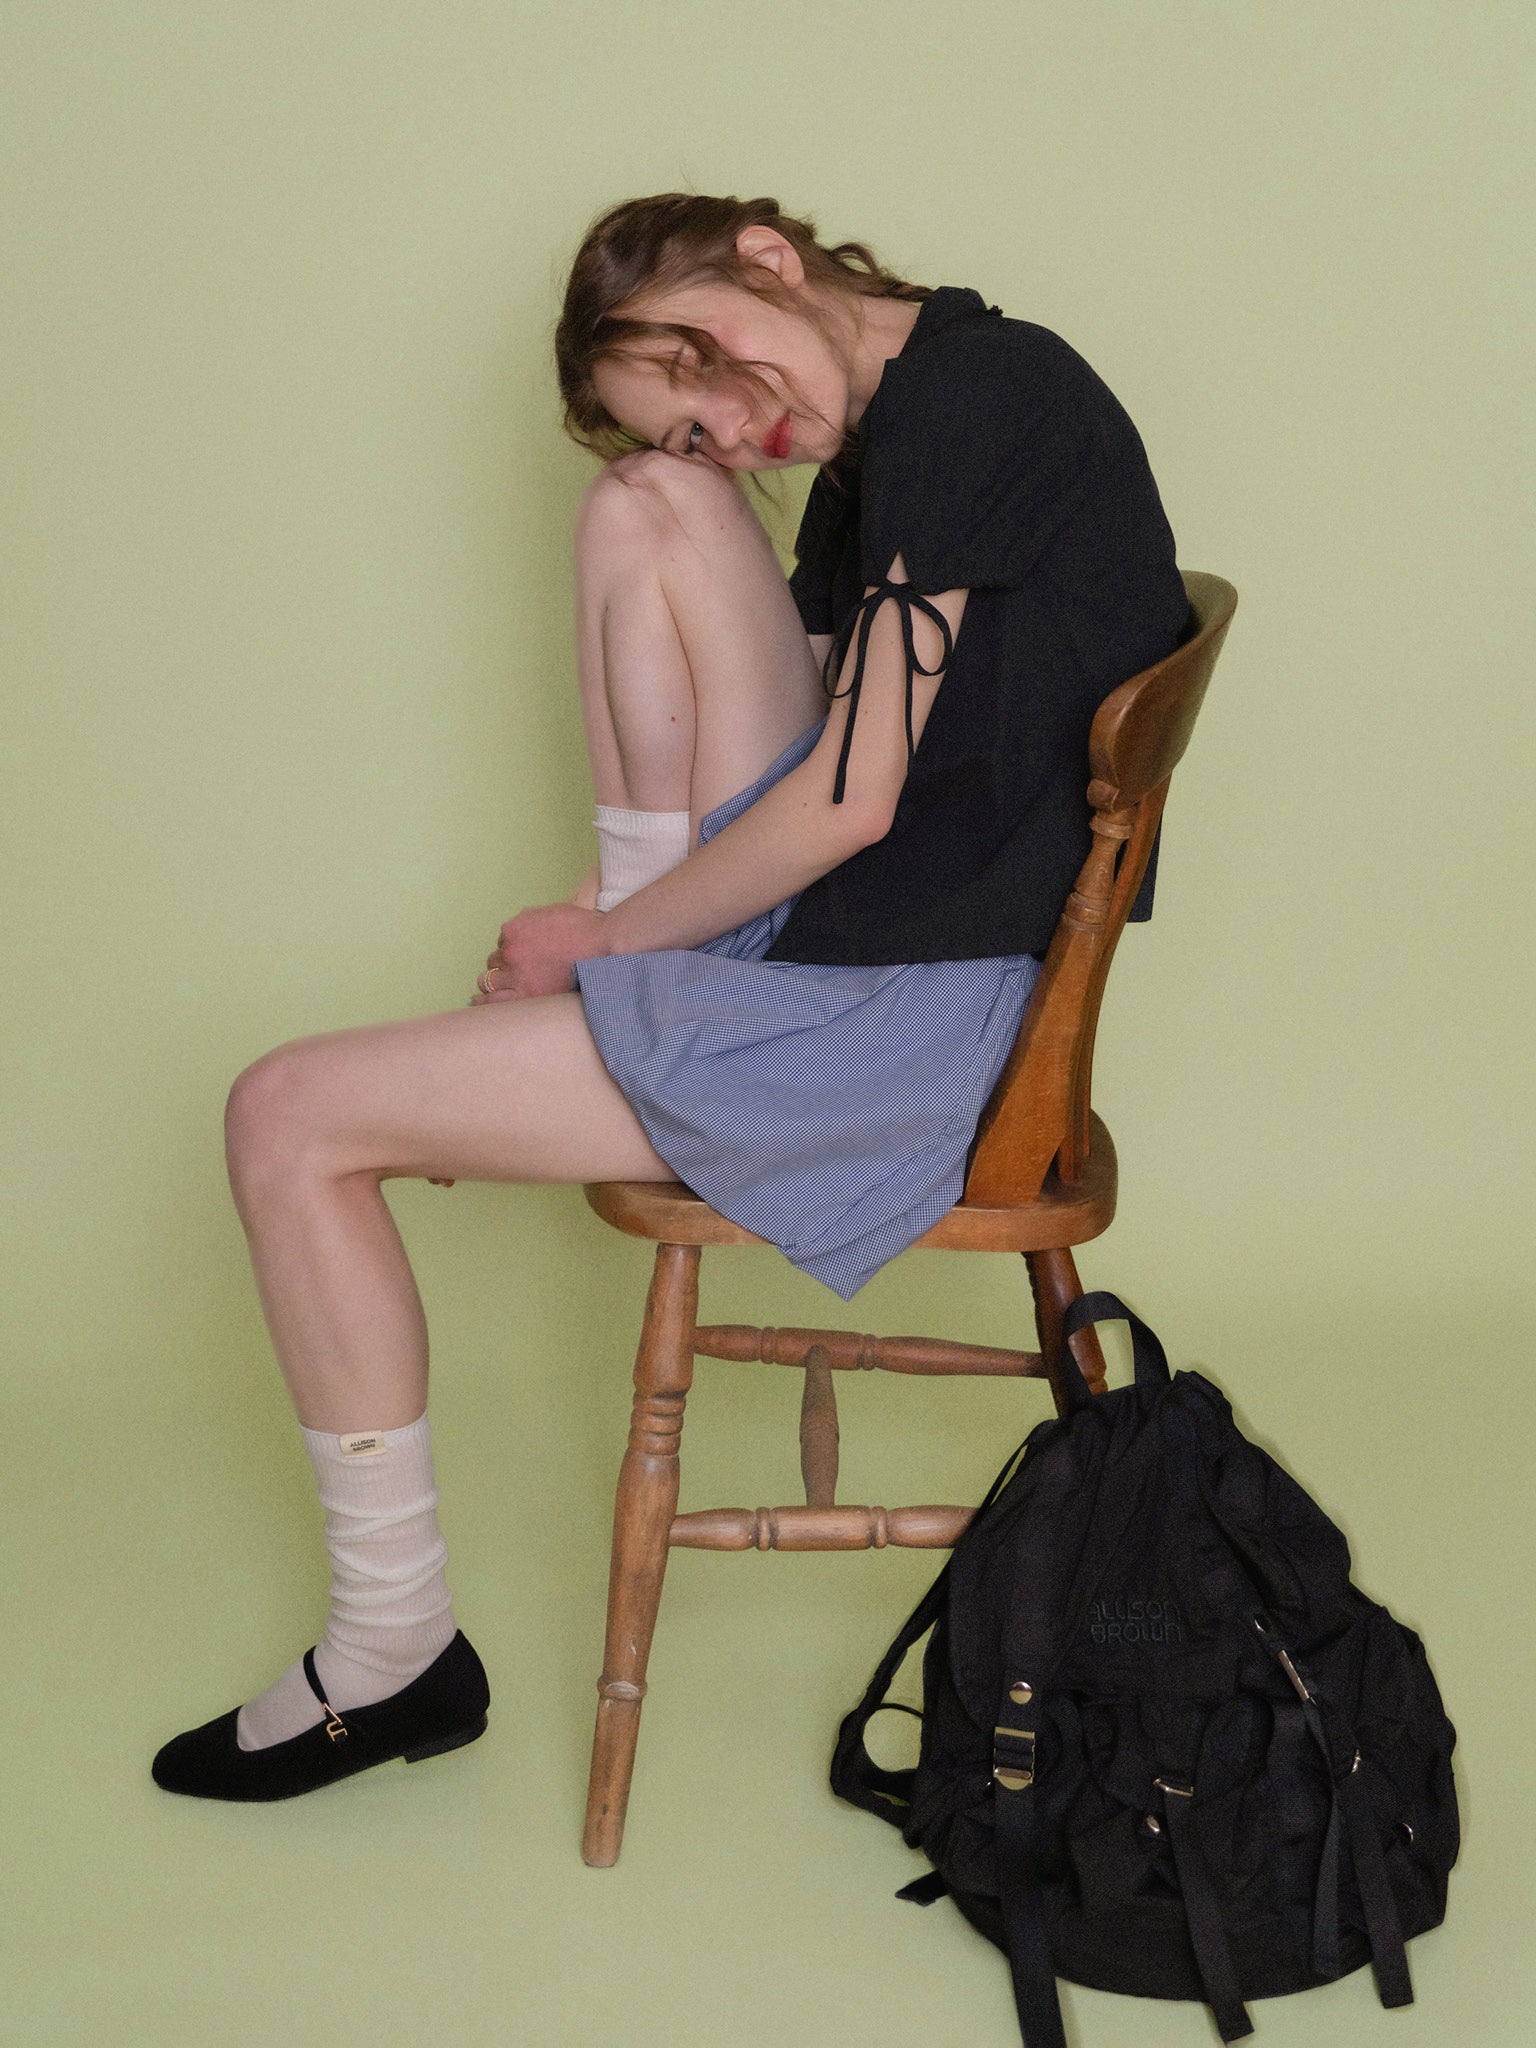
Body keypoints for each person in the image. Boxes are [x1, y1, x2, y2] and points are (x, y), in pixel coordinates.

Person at [150, 192, 1191, 1803]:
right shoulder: (912, 415)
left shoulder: (976, 402)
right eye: (695, 415)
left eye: (707, 367)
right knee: (644, 509)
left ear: (768, 255)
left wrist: (600, 954)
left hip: (921, 1029)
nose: (729, 428)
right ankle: (622, 981)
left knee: (282, 1114)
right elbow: (817, 738)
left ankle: (391, 1652)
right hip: (890, 945)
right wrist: (608, 946)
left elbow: (848, 799)